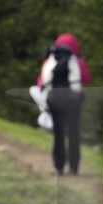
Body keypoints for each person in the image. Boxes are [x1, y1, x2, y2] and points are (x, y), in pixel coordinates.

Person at [33, 32, 88, 174]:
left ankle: (58, 167)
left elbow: (41, 82)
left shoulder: (50, 59)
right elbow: (86, 78)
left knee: (58, 134)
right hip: (74, 101)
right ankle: (74, 167)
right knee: (74, 133)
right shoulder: (77, 61)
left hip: (55, 100)